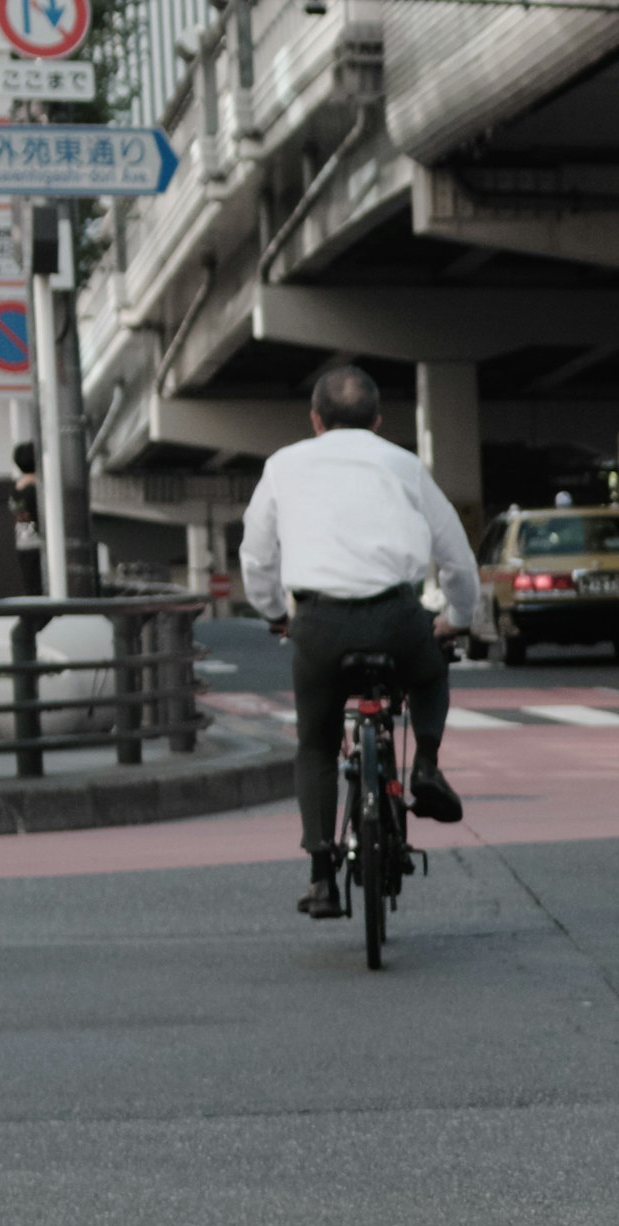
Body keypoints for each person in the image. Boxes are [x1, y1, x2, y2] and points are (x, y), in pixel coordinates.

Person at [242, 360, 481, 918]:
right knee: (429, 669)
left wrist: (277, 612)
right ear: (377, 420)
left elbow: (256, 556)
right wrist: (458, 617)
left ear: (316, 420)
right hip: (398, 618)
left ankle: (322, 874)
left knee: (317, 744)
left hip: (320, 626)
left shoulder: (283, 465)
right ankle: (425, 763)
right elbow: (457, 558)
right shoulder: (404, 465)